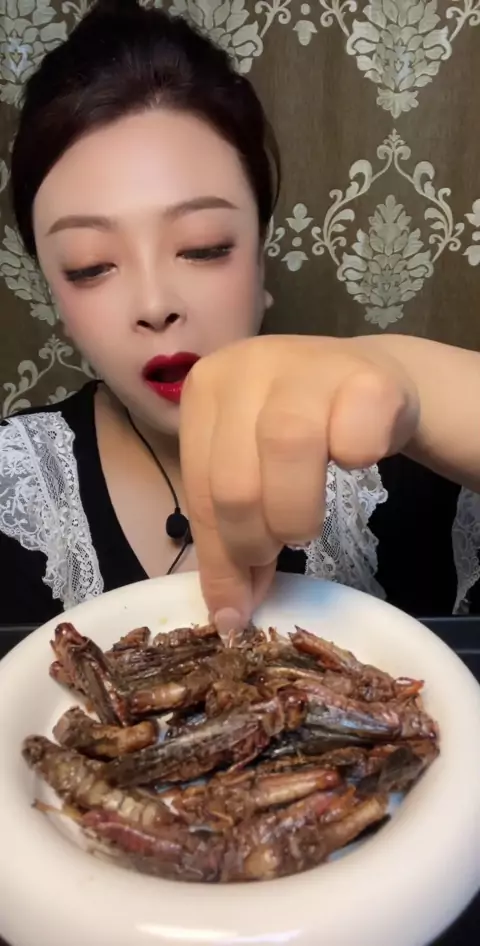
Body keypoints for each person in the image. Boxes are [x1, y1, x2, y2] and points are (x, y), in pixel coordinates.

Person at [1, 0, 479, 628]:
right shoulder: (16, 489)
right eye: (90, 266)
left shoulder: (390, 451)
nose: (155, 305)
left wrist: (409, 376)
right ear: (56, 298)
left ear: (260, 258)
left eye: (203, 248)